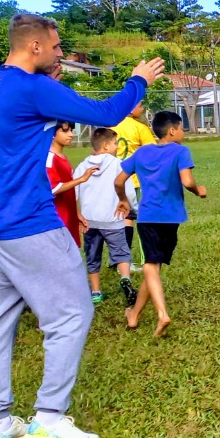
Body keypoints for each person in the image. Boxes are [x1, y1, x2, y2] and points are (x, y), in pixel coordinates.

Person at [0, 13, 162, 438]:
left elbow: (13, 127)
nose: (60, 55)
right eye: (55, 48)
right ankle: (49, 416)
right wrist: (138, 80)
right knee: (72, 314)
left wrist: (45, 78)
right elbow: (107, 112)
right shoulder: (34, 89)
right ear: (34, 46)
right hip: (29, 225)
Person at [116, 110, 207, 337]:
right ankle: (137, 315)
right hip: (172, 217)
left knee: (151, 267)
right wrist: (198, 190)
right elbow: (187, 181)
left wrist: (123, 200)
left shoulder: (142, 152)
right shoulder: (181, 151)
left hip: (149, 216)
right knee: (153, 266)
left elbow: (119, 181)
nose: (183, 132)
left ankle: (158, 314)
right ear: (173, 130)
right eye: (182, 128)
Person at [75, 127, 135, 307]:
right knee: (121, 252)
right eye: (115, 143)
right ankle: (125, 278)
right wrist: (130, 205)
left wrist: (77, 214)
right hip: (113, 218)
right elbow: (127, 188)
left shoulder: (81, 166)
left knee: (93, 256)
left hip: (89, 220)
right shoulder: (117, 164)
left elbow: (73, 192)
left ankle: (95, 292)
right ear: (107, 145)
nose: (117, 147)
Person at [114, 101, 157, 263]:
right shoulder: (139, 127)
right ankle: (128, 260)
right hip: (131, 179)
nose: (142, 109)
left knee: (113, 217)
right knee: (129, 217)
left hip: (111, 178)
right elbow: (152, 152)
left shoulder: (110, 124)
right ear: (131, 107)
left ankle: (116, 258)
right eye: (140, 106)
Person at [46, 121, 93, 247]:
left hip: (68, 216)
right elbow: (53, 188)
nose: (71, 134)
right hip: (56, 218)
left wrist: (76, 213)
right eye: (65, 131)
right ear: (52, 133)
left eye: (71, 130)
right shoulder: (49, 158)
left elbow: (68, 191)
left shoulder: (62, 157)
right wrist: (81, 179)